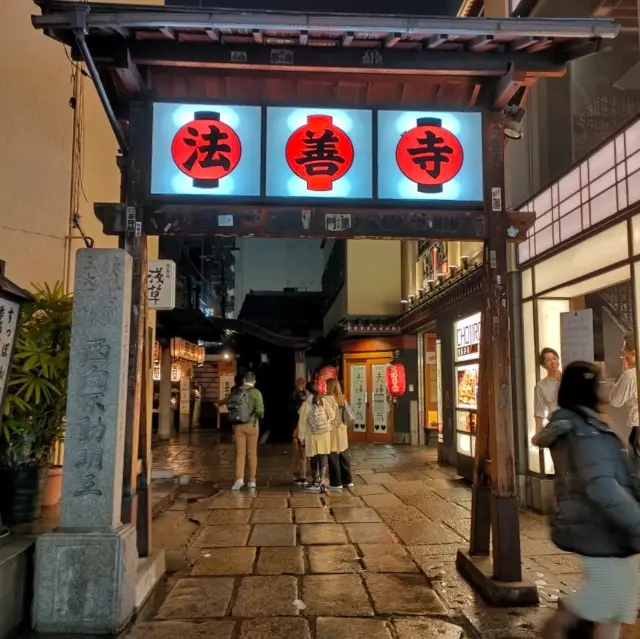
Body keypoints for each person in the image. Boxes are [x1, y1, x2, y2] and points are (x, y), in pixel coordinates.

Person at [533, 361, 640, 639]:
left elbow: (621, 473)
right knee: (607, 597)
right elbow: (602, 486)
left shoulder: (591, 424)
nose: (607, 386)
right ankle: (559, 624)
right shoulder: (585, 431)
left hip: (607, 527)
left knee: (621, 599)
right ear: (588, 387)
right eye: (602, 382)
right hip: (597, 526)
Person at [227, 372, 264, 491]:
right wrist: (259, 416)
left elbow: (230, 405)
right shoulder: (256, 392)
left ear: (244, 380)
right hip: (252, 425)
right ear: (254, 381)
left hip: (238, 426)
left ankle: (239, 479)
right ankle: (252, 480)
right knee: (252, 453)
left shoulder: (236, 391)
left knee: (240, 453)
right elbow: (260, 410)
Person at [297, 382, 333, 492]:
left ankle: (315, 481)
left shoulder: (306, 404)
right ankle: (322, 480)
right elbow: (332, 415)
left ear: (307, 391)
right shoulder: (323, 401)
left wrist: (301, 438)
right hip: (324, 434)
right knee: (322, 457)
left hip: (312, 435)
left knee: (313, 458)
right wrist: (326, 422)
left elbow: (302, 424)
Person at [610, 333, 639, 458]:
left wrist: (625, 372)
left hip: (638, 428)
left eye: (624, 350)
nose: (623, 354)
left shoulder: (630, 375)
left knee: (636, 469)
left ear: (633, 353)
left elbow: (615, 401)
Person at [325, 378, 353, 490]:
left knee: (333, 457)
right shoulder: (342, 398)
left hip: (331, 430)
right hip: (342, 429)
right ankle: (348, 480)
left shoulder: (326, 399)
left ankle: (336, 482)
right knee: (344, 455)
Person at [534, 347, 562, 435]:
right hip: (556, 425)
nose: (553, 362)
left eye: (554, 358)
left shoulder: (569, 378)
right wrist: (537, 433)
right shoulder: (541, 386)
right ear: (543, 365)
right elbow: (539, 412)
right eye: (548, 360)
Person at [289, 378, 309, 484]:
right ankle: (303, 473)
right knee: (303, 451)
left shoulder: (295, 394)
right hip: (304, 426)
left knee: (298, 449)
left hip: (298, 425)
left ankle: (301, 473)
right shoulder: (306, 395)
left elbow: (293, 409)